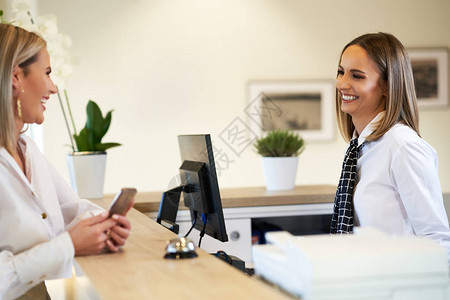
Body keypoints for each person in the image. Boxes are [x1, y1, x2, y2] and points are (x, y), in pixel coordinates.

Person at [0, 23, 133, 299]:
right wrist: (69, 245)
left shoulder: (27, 150)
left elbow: (69, 208)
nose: (53, 88)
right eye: (47, 73)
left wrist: (105, 226)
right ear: (16, 77)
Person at [331, 32, 450, 262]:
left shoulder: (403, 147)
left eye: (357, 76)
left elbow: (438, 241)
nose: (342, 83)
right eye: (340, 72)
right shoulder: (360, 148)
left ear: (387, 86)